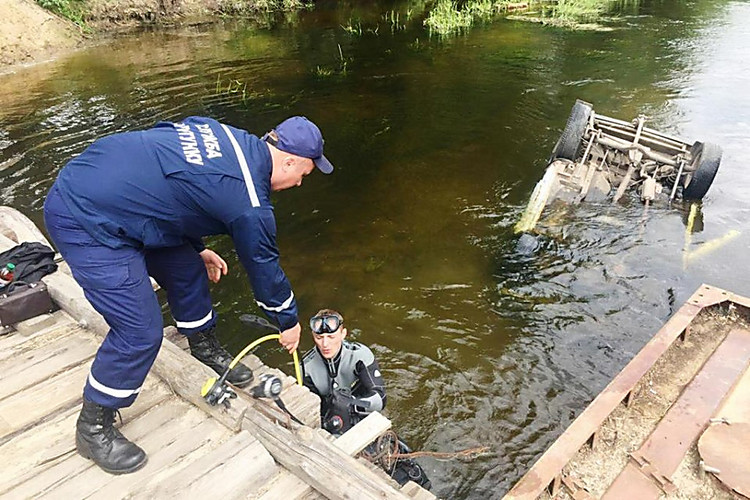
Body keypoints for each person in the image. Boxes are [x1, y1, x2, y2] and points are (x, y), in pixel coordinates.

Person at [43, 115, 334, 475]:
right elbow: (263, 267)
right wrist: (287, 321)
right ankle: (92, 427)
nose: (299, 182)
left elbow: (179, 184)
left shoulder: (227, 134)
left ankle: (204, 347)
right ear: (288, 160)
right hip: (84, 216)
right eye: (303, 174)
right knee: (139, 332)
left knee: (188, 269)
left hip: (121, 197)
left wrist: (195, 246)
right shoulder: (249, 204)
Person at [302, 309, 431, 490]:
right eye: (319, 337)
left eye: (331, 337)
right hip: (332, 422)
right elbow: (310, 408)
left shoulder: (359, 355)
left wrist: (351, 404)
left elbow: (380, 397)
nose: (325, 344)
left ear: (343, 333)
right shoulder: (307, 367)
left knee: (403, 463)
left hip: (364, 413)